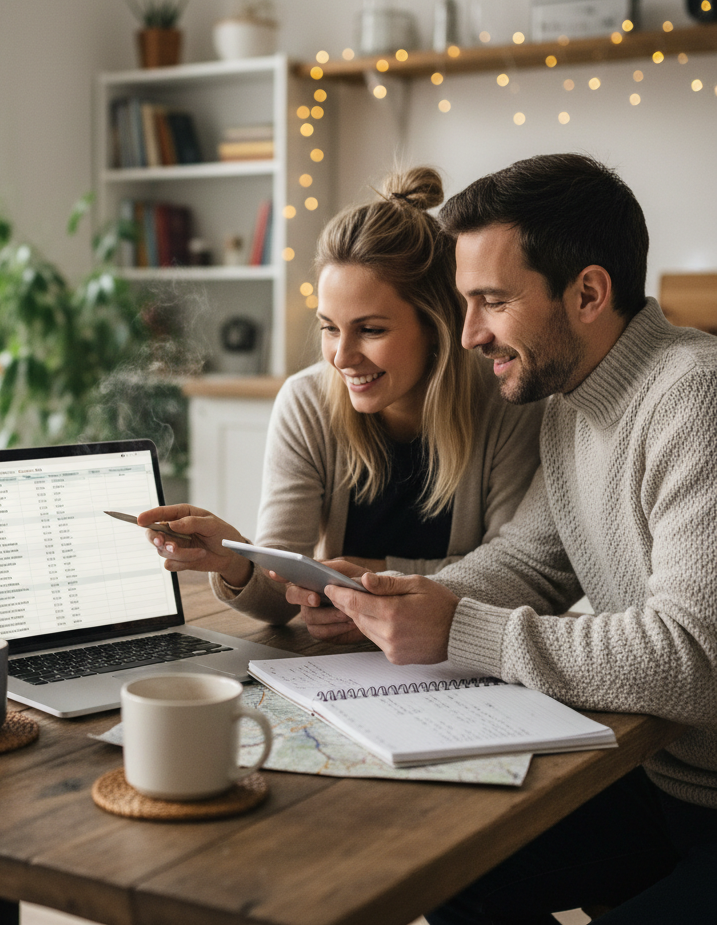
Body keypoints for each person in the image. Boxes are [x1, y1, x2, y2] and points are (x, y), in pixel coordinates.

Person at [310, 154, 717, 921]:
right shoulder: (569, 405)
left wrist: (459, 626)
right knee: (451, 870)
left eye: (491, 302)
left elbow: (689, 657)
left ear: (589, 292)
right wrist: (394, 597)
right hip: (659, 780)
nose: (468, 336)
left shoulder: (693, 396)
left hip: (707, 799)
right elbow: (531, 560)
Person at [137, 166, 544, 629]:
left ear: (437, 325)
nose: (342, 356)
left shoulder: (506, 403)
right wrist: (234, 561)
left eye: (370, 330)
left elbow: (511, 577)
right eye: (329, 327)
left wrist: (364, 581)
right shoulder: (306, 403)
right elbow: (283, 597)